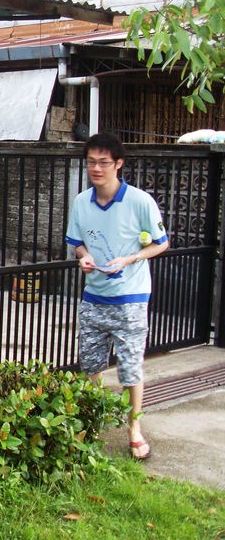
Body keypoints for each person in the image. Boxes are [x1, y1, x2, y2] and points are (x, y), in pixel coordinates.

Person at [65, 133, 168, 460]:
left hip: (130, 299)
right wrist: (84, 257)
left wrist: (131, 258)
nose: (96, 168)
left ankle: (134, 430)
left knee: (130, 369)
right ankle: (90, 427)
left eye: (103, 163)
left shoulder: (140, 201)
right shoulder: (81, 202)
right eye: (91, 162)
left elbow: (161, 243)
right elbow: (77, 243)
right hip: (93, 297)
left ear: (118, 164)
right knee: (90, 366)